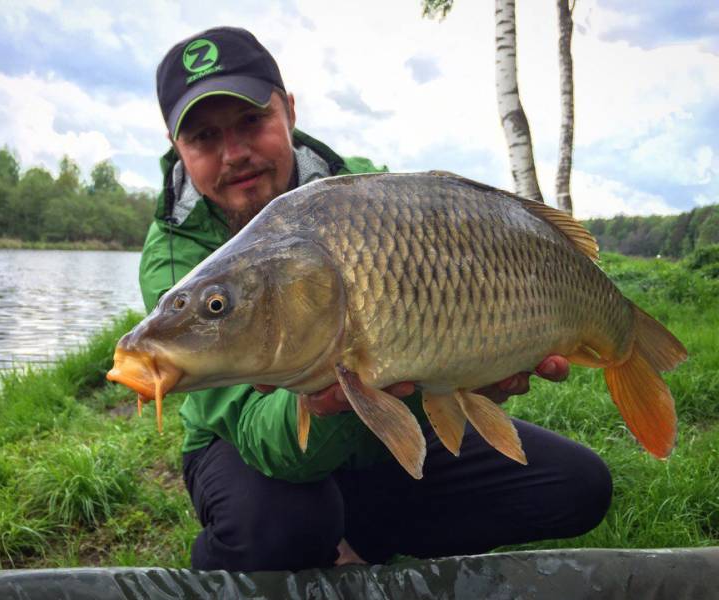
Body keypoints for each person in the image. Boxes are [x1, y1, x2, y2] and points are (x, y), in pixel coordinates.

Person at [139, 26, 612, 572]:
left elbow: (455, 292)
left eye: (251, 121)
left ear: (288, 111)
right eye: (203, 137)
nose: (236, 154)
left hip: (386, 412)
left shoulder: (362, 191)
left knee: (578, 485)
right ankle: (274, 555)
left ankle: (361, 543)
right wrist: (333, 395)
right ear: (177, 148)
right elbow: (259, 437)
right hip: (243, 444)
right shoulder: (173, 257)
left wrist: (471, 360)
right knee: (283, 525)